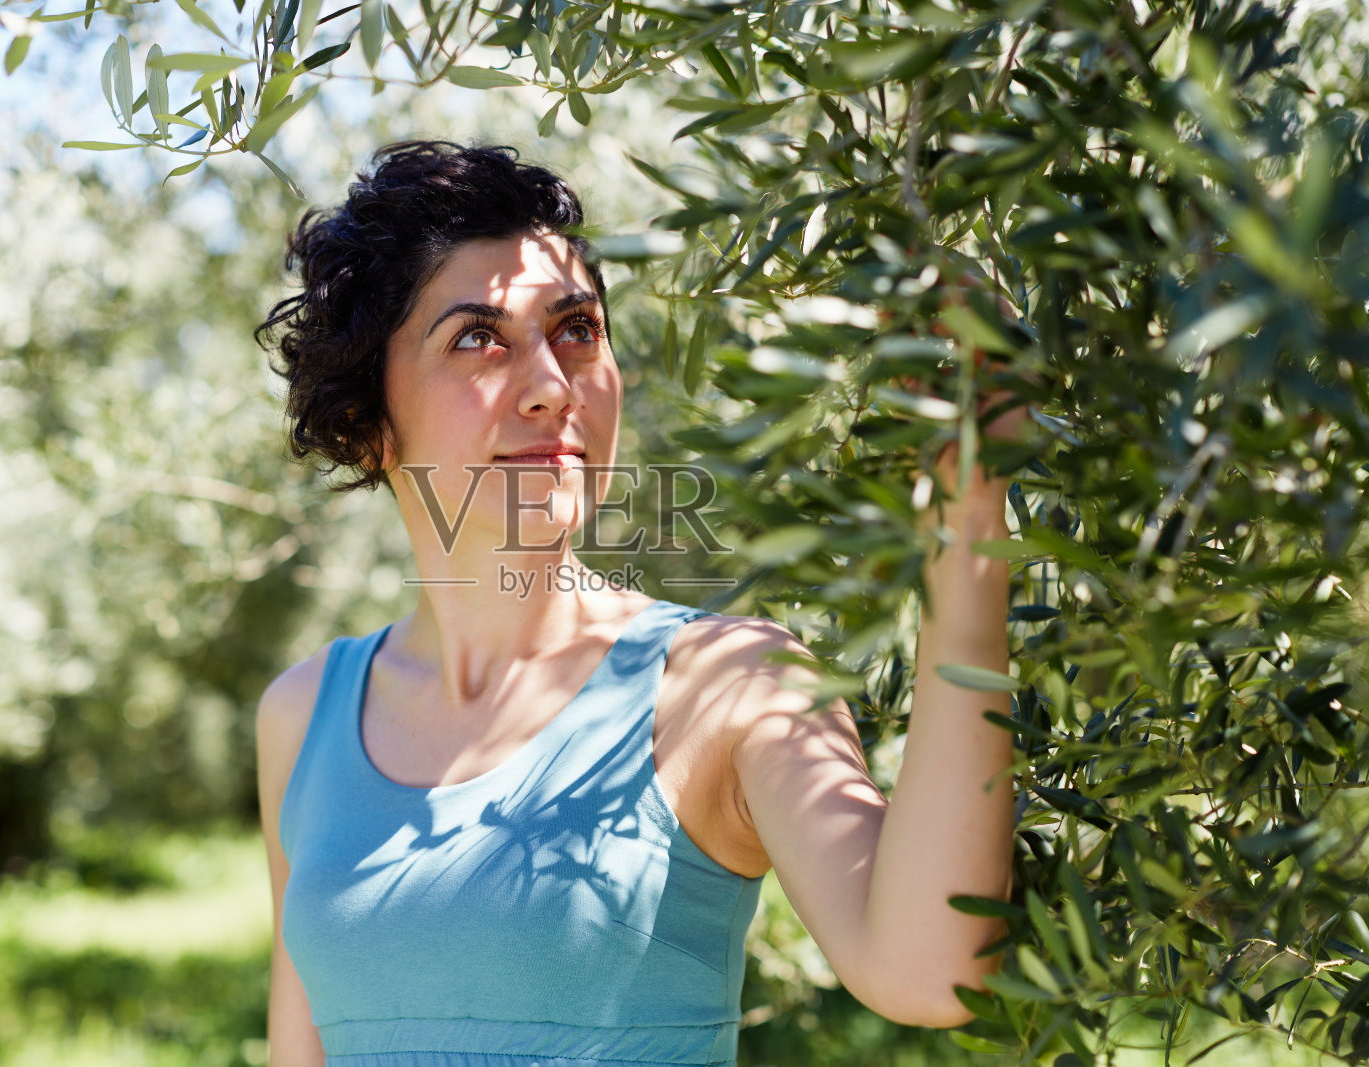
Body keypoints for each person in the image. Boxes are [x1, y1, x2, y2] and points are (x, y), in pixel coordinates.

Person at [253, 140, 1017, 1067]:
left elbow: (930, 970)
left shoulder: (729, 684)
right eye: (477, 338)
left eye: (577, 328)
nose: (552, 385)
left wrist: (970, 528)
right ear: (368, 423)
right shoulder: (304, 715)